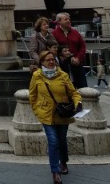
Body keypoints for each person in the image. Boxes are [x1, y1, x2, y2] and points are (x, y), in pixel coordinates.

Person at [29, 50, 82, 184]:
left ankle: (63, 161)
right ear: (42, 62)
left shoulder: (63, 75)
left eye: (53, 59)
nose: (51, 62)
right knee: (53, 141)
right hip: (46, 115)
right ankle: (55, 171)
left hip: (63, 113)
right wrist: (37, 110)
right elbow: (32, 96)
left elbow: (74, 93)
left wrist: (78, 103)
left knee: (62, 140)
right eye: (48, 60)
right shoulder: (37, 76)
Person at [52, 12, 88, 89]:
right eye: (66, 19)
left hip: (76, 63)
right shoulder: (54, 33)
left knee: (83, 87)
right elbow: (53, 48)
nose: (68, 21)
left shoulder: (75, 32)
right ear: (59, 22)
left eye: (69, 19)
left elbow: (82, 46)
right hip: (63, 66)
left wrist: (78, 58)